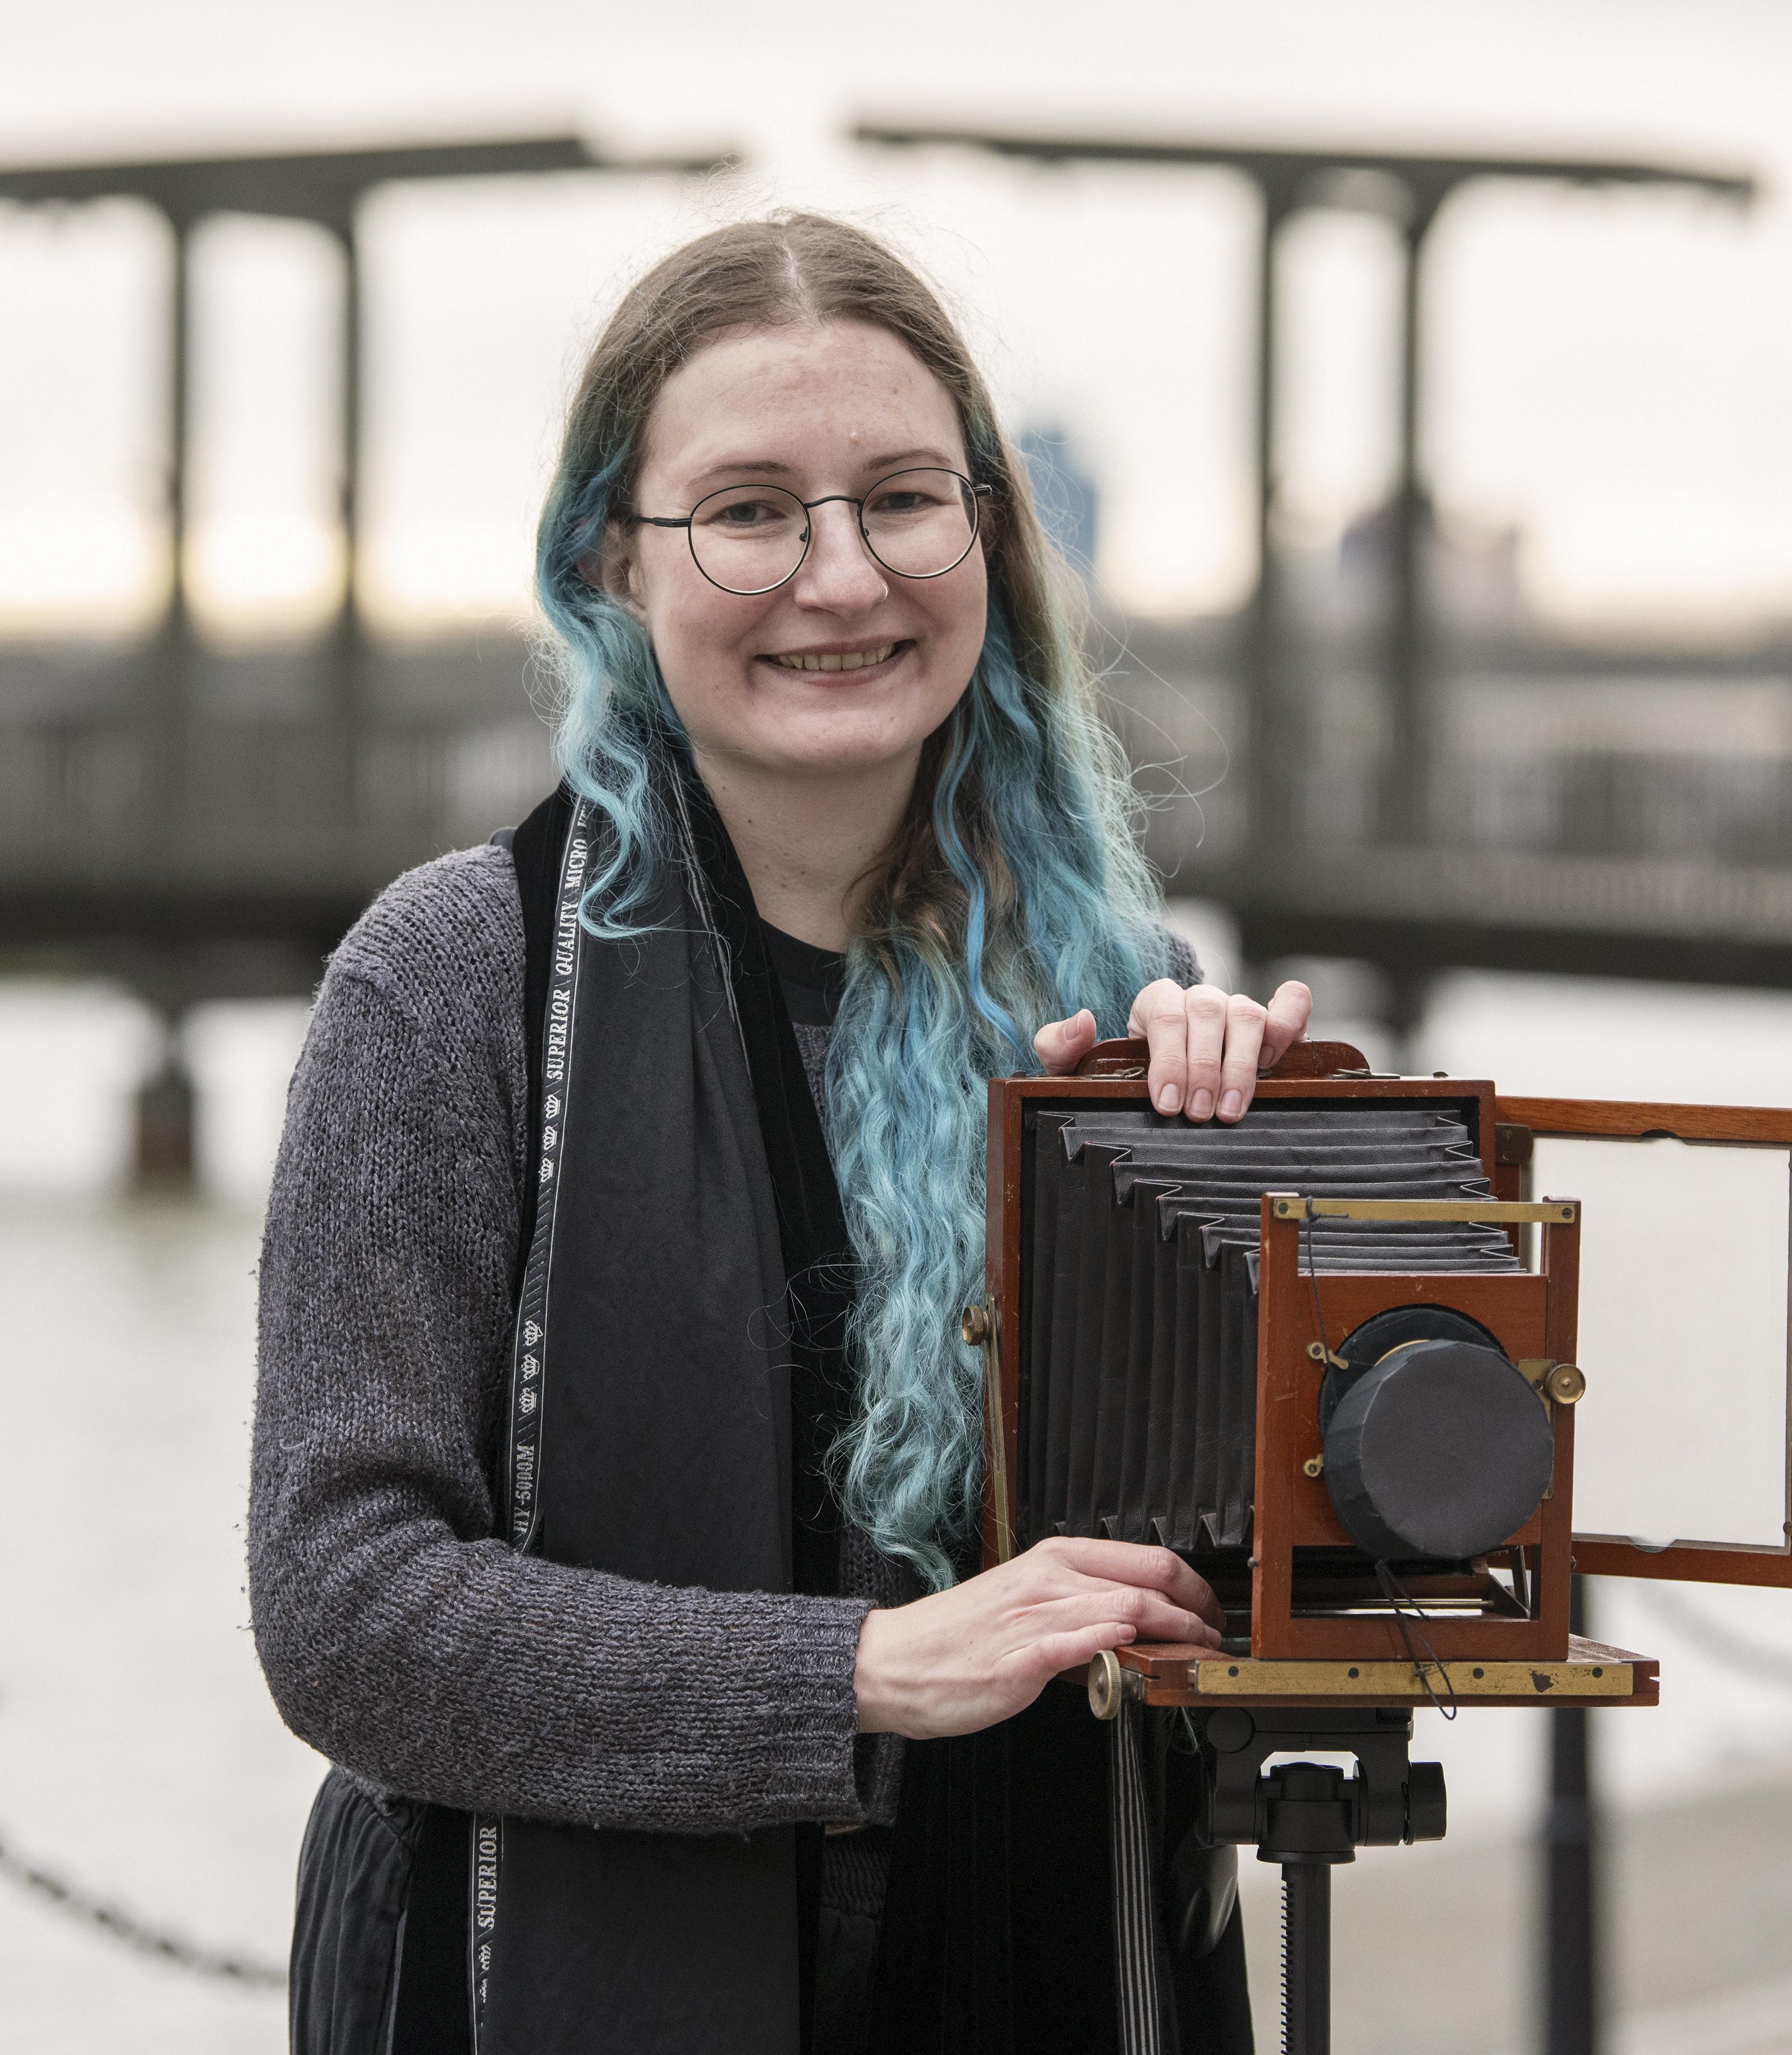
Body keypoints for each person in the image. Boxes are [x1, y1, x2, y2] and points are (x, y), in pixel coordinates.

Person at [251, 212, 1315, 2055]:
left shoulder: (1129, 996)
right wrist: (855, 1676)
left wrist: (1266, 1187)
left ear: (985, 531)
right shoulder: (454, 985)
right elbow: (345, 1613)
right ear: (610, 558)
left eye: (902, 498)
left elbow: (1261, 1600)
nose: (840, 575)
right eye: (749, 511)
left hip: (1052, 1971)